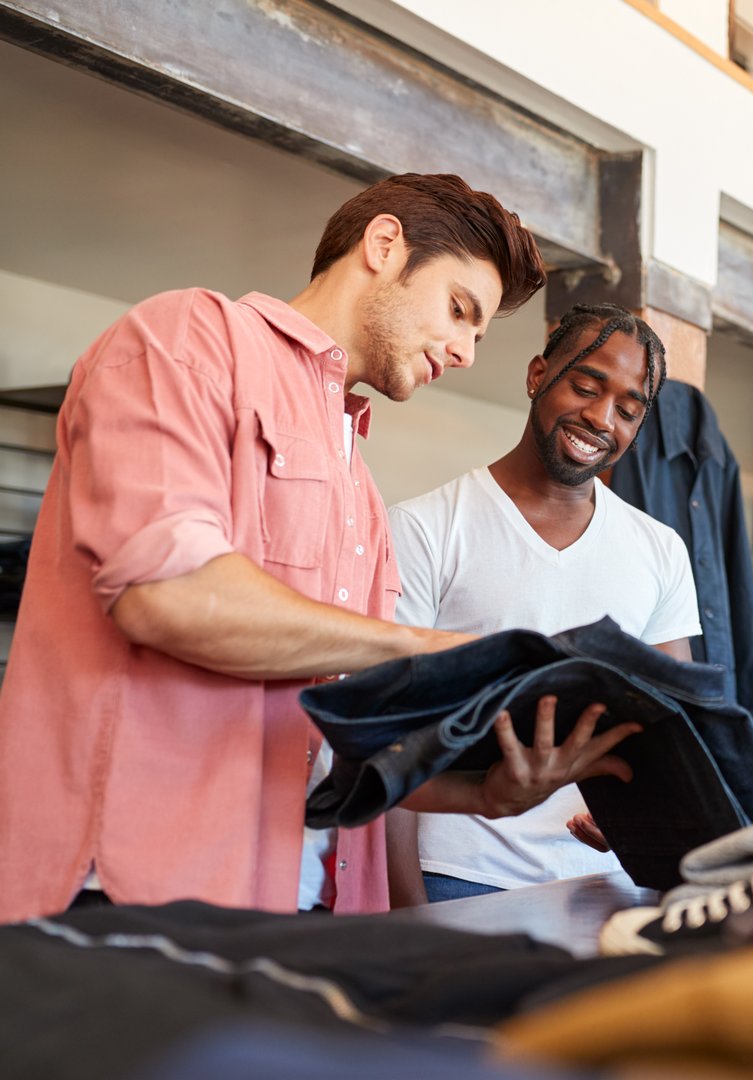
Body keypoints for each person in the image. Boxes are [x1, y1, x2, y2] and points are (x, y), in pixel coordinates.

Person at [0, 174, 640, 923]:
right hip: (131, 892)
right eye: (460, 310)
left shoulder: (358, 491)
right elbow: (165, 595)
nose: (466, 351)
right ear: (383, 245)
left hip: (301, 901)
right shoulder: (186, 338)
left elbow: (324, 737)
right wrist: (432, 648)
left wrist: (479, 795)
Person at [386, 303, 702, 905]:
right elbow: (392, 739)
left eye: (629, 410)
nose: (601, 418)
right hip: (459, 876)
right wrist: (408, 911)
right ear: (537, 375)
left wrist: (644, 827)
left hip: (606, 882)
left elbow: (675, 735)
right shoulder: (426, 528)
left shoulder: (660, 550)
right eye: (585, 386)